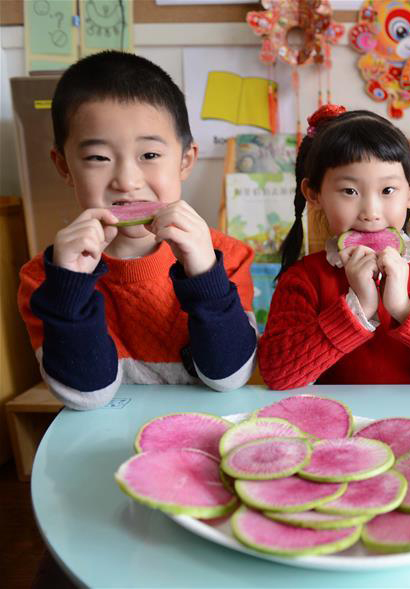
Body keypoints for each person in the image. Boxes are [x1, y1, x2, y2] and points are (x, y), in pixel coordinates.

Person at [18, 51, 257, 409]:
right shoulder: (46, 278)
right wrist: (70, 287)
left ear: (185, 160)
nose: (127, 182)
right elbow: (86, 396)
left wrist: (205, 274)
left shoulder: (227, 257)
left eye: (149, 156)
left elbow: (230, 377)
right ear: (64, 166)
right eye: (98, 158)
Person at [257, 105, 410, 388]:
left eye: (387, 191)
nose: (371, 211)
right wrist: (359, 308)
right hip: (340, 425)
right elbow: (277, 373)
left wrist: (404, 308)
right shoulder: (303, 278)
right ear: (314, 194)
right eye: (349, 191)